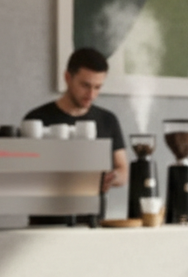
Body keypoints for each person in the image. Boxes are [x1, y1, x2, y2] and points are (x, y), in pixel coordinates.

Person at [24, 47, 128, 224]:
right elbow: (24, 175)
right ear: (67, 78)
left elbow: (123, 170)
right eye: (85, 85)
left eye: (97, 87)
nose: (91, 94)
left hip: (92, 223)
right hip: (45, 225)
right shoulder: (36, 120)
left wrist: (113, 177)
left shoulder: (107, 120)